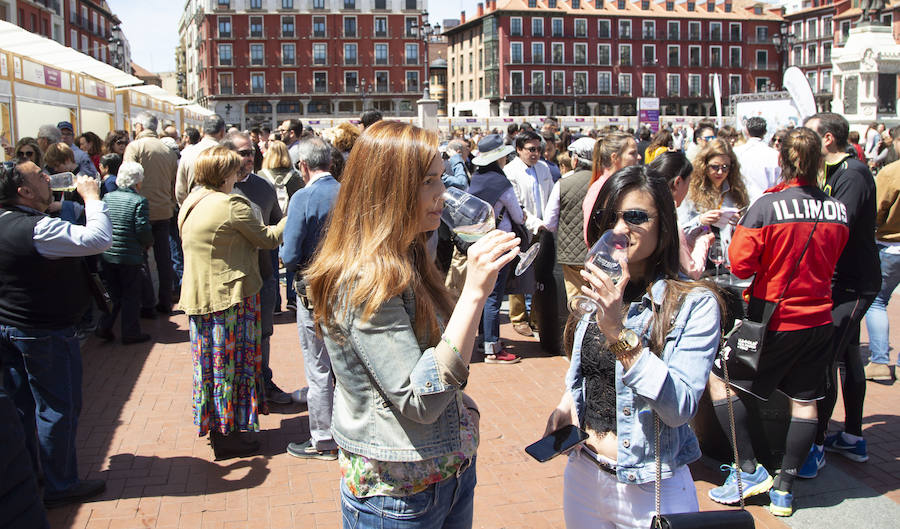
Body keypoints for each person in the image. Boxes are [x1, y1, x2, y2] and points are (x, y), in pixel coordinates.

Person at [305, 120, 519, 527]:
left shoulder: (409, 252)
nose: (444, 195)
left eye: (442, 178)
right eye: (428, 182)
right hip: (398, 494)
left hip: (446, 474)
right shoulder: (365, 278)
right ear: (389, 188)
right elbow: (419, 399)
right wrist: (475, 293)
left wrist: (462, 407)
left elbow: (431, 353)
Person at [546, 165, 724, 528]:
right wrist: (566, 407)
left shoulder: (693, 304)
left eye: (636, 217)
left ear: (664, 223)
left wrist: (617, 332)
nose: (620, 229)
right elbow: (586, 370)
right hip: (584, 473)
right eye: (611, 217)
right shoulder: (601, 289)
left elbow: (680, 407)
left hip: (652, 488)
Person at [707, 127, 849, 517]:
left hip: (775, 317)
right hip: (820, 316)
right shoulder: (837, 208)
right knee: (805, 401)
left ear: (782, 160)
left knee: (721, 378)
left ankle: (748, 468)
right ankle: (784, 489)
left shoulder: (767, 207)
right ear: (821, 160)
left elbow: (740, 264)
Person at [0, 161, 111, 507]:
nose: (48, 178)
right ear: (25, 192)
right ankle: (60, 484)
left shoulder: (7, 221)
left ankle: (32, 472)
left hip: (11, 327)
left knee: (22, 405)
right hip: (43, 331)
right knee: (57, 407)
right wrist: (92, 198)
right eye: (40, 177)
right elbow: (97, 239)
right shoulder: (37, 230)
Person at [178, 146, 287, 460]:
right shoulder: (231, 203)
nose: (239, 173)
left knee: (210, 366)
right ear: (224, 174)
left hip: (201, 296)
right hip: (230, 297)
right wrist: (291, 215)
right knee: (232, 366)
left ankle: (219, 427)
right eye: (234, 169)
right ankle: (230, 432)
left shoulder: (192, 201)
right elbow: (267, 239)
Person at [801, 112, 881, 473]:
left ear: (828, 139)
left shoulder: (853, 174)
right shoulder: (837, 172)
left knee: (827, 358)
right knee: (847, 355)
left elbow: (836, 227)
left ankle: (815, 443)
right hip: (840, 280)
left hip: (853, 283)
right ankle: (851, 437)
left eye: (811, 134)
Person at [281, 136, 342, 459]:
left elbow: (290, 254)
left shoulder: (303, 198)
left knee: (318, 368)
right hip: (349, 287)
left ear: (303, 166)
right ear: (330, 163)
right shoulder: (348, 193)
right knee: (347, 366)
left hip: (314, 291)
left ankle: (323, 439)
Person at [224, 132, 291, 406]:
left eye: (251, 152)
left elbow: (277, 223)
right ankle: (239, 392)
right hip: (232, 278)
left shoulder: (263, 187)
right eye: (242, 153)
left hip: (263, 274)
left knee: (264, 333)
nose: (248, 158)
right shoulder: (219, 189)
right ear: (227, 155)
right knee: (234, 336)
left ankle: (263, 380)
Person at [467, 134, 524, 364]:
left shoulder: (477, 179)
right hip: (500, 241)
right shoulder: (501, 183)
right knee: (493, 296)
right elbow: (518, 216)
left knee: (484, 293)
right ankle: (492, 347)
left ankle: (483, 340)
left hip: (479, 241)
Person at [124, 111, 179, 316]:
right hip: (164, 209)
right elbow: (175, 182)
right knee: (164, 258)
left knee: (142, 259)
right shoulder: (167, 150)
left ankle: (147, 303)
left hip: (141, 210)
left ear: (139, 127)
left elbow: (127, 178)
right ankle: (165, 299)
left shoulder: (135, 147)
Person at [94, 161, 153, 344]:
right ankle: (130, 332)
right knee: (130, 295)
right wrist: (147, 243)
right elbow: (142, 228)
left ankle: (104, 326)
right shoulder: (139, 201)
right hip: (130, 255)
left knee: (113, 294)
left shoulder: (107, 198)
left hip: (108, 254)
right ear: (138, 182)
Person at [504, 130, 554, 337]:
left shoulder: (544, 169)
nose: (535, 154)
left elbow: (551, 195)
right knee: (519, 273)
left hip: (544, 229)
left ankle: (536, 317)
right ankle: (518, 317)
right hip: (523, 228)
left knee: (540, 274)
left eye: (538, 149)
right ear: (519, 150)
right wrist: (536, 223)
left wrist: (549, 223)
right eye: (531, 149)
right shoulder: (510, 171)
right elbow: (517, 205)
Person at [864, 128, 900, 381]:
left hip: (890, 244)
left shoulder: (891, 172)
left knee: (876, 301)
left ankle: (879, 360)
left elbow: (876, 209)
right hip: (890, 244)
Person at [677, 138, 749, 264]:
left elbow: (747, 232)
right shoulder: (691, 191)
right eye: (715, 167)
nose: (720, 172)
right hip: (697, 260)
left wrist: (739, 224)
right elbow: (679, 229)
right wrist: (700, 221)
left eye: (725, 167)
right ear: (704, 165)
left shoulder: (736, 192)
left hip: (725, 260)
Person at [543, 136, 595, 303]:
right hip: (599, 251)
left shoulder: (563, 183)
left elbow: (549, 221)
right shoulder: (607, 182)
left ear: (575, 160)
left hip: (571, 252)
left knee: (576, 300)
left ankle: (576, 329)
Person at [648, 151, 713, 279]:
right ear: (678, 182)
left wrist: (689, 238)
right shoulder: (668, 216)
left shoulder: (650, 208)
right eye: (688, 183)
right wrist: (703, 241)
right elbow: (692, 271)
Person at [582, 130, 641, 245]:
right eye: (632, 153)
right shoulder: (599, 189)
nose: (638, 157)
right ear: (615, 157)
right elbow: (590, 236)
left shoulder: (625, 186)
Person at [176, 114, 225, 205]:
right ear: (222, 132)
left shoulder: (187, 153)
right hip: (218, 208)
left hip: (192, 207)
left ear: (202, 131)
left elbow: (180, 190)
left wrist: (186, 208)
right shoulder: (226, 155)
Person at [734, 117, 781, 203]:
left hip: (745, 203)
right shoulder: (775, 155)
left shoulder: (737, 153)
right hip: (769, 203)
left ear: (746, 131)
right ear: (765, 132)